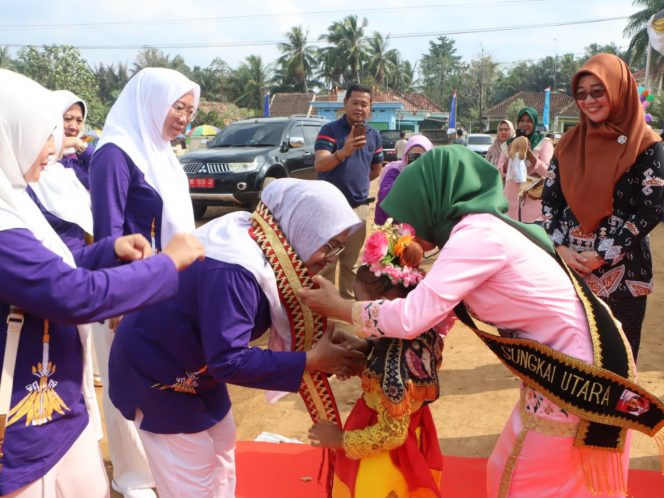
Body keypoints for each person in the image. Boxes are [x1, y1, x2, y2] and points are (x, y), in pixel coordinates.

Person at [298, 146, 664, 498]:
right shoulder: (477, 231)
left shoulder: (476, 236)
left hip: (577, 371)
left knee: (531, 482)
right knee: (514, 470)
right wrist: (364, 344)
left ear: (434, 200)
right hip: (563, 361)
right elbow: (435, 321)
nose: (405, 231)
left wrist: (340, 307)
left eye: (410, 213)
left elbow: (412, 318)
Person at [0, 69, 204, 498]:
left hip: (58, 403)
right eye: (45, 133)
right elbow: (69, 293)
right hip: (23, 419)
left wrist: (109, 252)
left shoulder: (14, 197)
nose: (57, 147)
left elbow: (59, 261)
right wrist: (167, 265)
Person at [108, 178, 366, 498]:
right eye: (328, 245)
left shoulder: (266, 238)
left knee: (222, 456)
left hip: (196, 368)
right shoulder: (236, 268)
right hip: (158, 372)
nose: (330, 258)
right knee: (191, 480)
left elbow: (273, 315)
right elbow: (228, 360)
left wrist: (324, 344)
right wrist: (311, 361)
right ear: (301, 227)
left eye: (337, 247)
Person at [89, 67, 201, 498]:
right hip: (128, 287)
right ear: (152, 101)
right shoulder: (115, 154)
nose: (183, 118)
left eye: (189, 111)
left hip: (163, 282)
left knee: (158, 375)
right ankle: (133, 475)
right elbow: (107, 234)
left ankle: (158, 466)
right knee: (125, 379)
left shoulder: (161, 151)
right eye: (177, 107)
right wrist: (120, 300)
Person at [308, 220, 446, 498]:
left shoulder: (393, 364)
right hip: (416, 429)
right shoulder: (423, 330)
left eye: (362, 304)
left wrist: (340, 440)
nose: (359, 311)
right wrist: (364, 347)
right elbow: (394, 350)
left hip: (388, 451)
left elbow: (391, 433)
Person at [542, 54, 664, 360]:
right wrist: (560, 248)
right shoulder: (568, 143)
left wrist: (603, 253)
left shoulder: (646, 144)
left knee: (616, 366)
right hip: (570, 272)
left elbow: (651, 209)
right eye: (581, 94)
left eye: (598, 91)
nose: (589, 101)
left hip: (623, 276)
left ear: (618, 89)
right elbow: (550, 203)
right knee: (570, 364)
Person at [314, 83, 384, 299]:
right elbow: (320, 165)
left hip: (359, 208)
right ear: (345, 104)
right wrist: (343, 152)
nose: (359, 108)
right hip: (329, 208)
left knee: (351, 264)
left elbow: (375, 170)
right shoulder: (330, 131)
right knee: (326, 261)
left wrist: (357, 182)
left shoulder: (374, 136)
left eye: (364, 104)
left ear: (370, 108)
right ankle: (322, 307)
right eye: (355, 102)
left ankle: (345, 306)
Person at [499, 108, 553, 223]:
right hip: (510, 206)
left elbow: (548, 173)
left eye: (529, 121)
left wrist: (529, 152)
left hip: (534, 208)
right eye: (522, 120)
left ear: (534, 123)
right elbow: (500, 172)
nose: (525, 124)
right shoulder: (507, 145)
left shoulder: (544, 143)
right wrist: (513, 151)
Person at [374, 135, 433, 225]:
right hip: (392, 227)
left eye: (423, 157)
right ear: (405, 156)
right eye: (413, 156)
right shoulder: (394, 170)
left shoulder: (432, 176)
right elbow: (384, 196)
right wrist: (408, 175)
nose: (418, 161)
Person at [54, 90, 94, 189]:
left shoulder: (79, 147)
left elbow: (104, 170)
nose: (74, 127)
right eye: (67, 119)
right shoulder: (40, 159)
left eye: (79, 121)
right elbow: (97, 179)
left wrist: (79, 144)